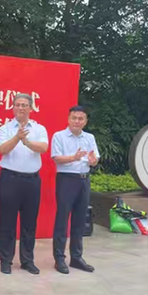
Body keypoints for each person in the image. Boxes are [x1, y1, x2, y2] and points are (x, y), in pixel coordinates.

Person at [0, 93, 48, 275]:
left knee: (29, 222)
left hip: (32, 181)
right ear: (13, 107)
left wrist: (26, 142)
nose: (21, 108)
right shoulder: (5, 128)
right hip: (9, 179)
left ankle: (27, 260)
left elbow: (43, 148)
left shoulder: (39, 129)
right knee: (7, 221)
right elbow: (2, 149)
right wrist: (17, 138)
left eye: (25, 105)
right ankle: (5, 260)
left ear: (31, 108)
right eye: (18, 105)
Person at [51, 105, 100, 274]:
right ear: (68, 119)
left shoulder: (89, 137)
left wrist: (93, 161)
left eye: (81, 119)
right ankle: (59, 258)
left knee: (79, 221)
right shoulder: (59, 136)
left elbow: (94, 158)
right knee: (62, 219)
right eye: (74, 118)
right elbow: (56, 158)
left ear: (85, 121)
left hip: (84, 180)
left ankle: (77, 258)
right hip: (66, 180)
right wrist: (74, 157)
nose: (77, 121)